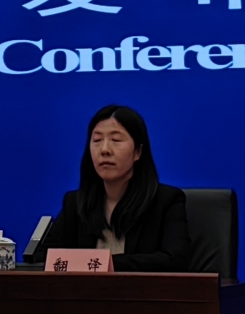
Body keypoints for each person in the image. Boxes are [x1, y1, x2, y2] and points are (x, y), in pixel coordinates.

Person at [35, 104, 191, 272]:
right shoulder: (75, 203)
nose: (104, 150)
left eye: (116, 140)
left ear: (138, 152)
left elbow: (175, 260)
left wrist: (104, 264)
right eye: (97, 140)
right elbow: (45, 259)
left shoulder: (166, 201)